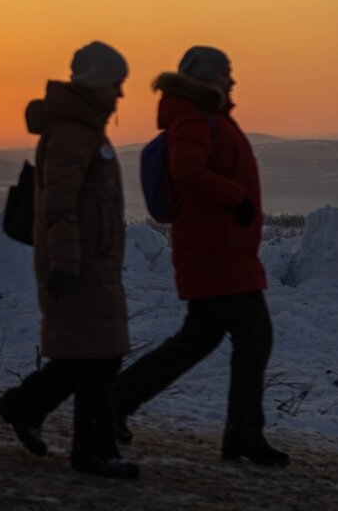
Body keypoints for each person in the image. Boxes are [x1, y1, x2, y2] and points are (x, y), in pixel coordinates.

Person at [111, 47, 288, 467]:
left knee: (197, 340)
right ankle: (243, 436)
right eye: (227, 73)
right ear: (208, 78)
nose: (233, 81)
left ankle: (113, 403)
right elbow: (187, 170)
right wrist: (237, 198)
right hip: (216, 252)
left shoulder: (205, 116)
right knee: (254, 336)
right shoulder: (194, 118)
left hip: (220, 250)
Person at [0, 41, 138, 479]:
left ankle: (24, 406)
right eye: (116, 84)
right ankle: (93, 452)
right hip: (78, 265)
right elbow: (59, 206)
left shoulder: (86, 131)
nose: (120, 95)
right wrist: (66, 263)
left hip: (90, 262)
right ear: (96, 85)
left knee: (86, 354)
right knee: (100, 357)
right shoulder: (73, 134)